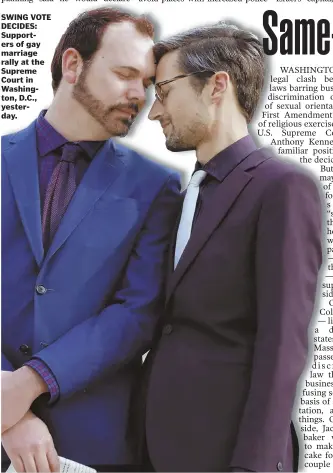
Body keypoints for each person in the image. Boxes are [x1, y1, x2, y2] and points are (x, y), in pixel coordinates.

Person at [1, 7, 181, 473]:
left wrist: (30, 383)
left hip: (93, 447)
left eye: (145, 82)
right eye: (125, 75)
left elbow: (138, 311)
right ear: (73, 65)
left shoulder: (158, 186)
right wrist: (7, 408)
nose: (138, 94)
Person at [142, 22, 323, 472]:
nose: (154, 112)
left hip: (229, 454)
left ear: (216, 85)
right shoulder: (184, 196)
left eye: (163, 90)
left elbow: (283, 345)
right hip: (158, 449)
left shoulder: (283, 187)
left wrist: (252, 466)